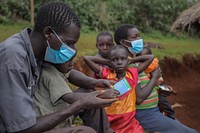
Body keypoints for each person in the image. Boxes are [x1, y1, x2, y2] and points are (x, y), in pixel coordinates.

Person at [0, 2, 118, 133]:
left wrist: (95, 82)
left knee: (87, 93)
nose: (73, 50)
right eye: (69, 43)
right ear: (48, 33)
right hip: (22, 127)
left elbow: (67, 72)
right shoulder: (13, 59)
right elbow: (22, 128)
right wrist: (78, 105)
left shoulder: (41, 48)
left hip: (38, 113)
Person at [114, 23, 198, 133]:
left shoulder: (134, 62)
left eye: (139, 36)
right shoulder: (126, 66)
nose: (140, 40)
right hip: (145, 114)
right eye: (135, 37)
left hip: (153, 111)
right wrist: (154, 78)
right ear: (123, 42)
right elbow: (139, 99)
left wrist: (159, 88)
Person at [83, 45, 160, 133]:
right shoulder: (107, 74)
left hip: (129, 121)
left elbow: (150, 57)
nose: (119, 62)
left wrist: (130, 60)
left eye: (123, 59)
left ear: (127, 60)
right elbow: (86, 58)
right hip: (110, 120)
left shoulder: (132, 73)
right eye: (115, 59)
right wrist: (108, 62)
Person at [137, 47, 176, 119]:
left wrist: (163, 86)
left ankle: (171, 117)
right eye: (140, 59)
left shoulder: (153, 66)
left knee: (164, 104)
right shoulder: (138, 68)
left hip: (156, 91)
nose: (142, 62)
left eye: (144, 59)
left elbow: (159, 80)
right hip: (147, 93)